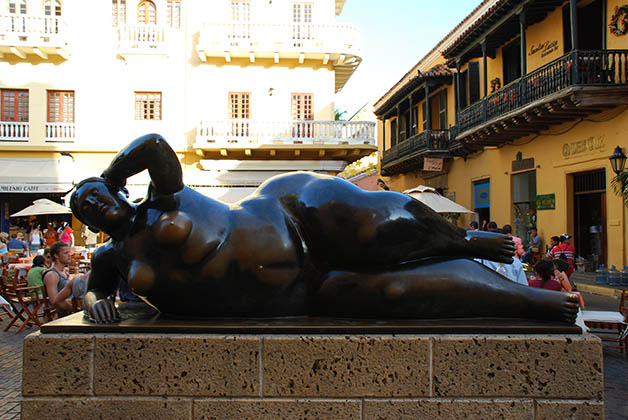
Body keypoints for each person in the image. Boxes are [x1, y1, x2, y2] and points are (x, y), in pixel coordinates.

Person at [70, 134, 579, 324]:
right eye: (84, 208)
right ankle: (536, 302)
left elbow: (155, 145)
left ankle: (466, 237)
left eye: (96, 193)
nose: (93, 205)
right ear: (87, 223)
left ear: (116, 189)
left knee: (380, 229)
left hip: (294, 216)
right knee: (400, 290)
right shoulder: (111, 260)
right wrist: (97, 305)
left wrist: (110, 172)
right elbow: (93, 294)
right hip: (298, 295)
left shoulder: (164, 196)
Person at [43, 241, 74, 315]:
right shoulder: (52, 275)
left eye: (69, 253)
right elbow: (54, 301)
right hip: (64, 315)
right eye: (65, 253)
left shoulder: (64, 273)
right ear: (56, 255)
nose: (69, 255)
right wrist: (74, 309)